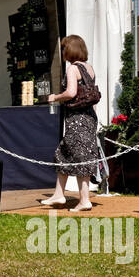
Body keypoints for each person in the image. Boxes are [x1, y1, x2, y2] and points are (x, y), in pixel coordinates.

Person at [40, 35, 100, 212]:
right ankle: (59, 194)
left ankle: (84, 200)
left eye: (64, 48)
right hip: (89, 117)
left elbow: (71, 92)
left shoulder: (72, 69)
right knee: (64, 153)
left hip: (77, 119)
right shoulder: (89, 68)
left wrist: (55, 97)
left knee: (78, 156)